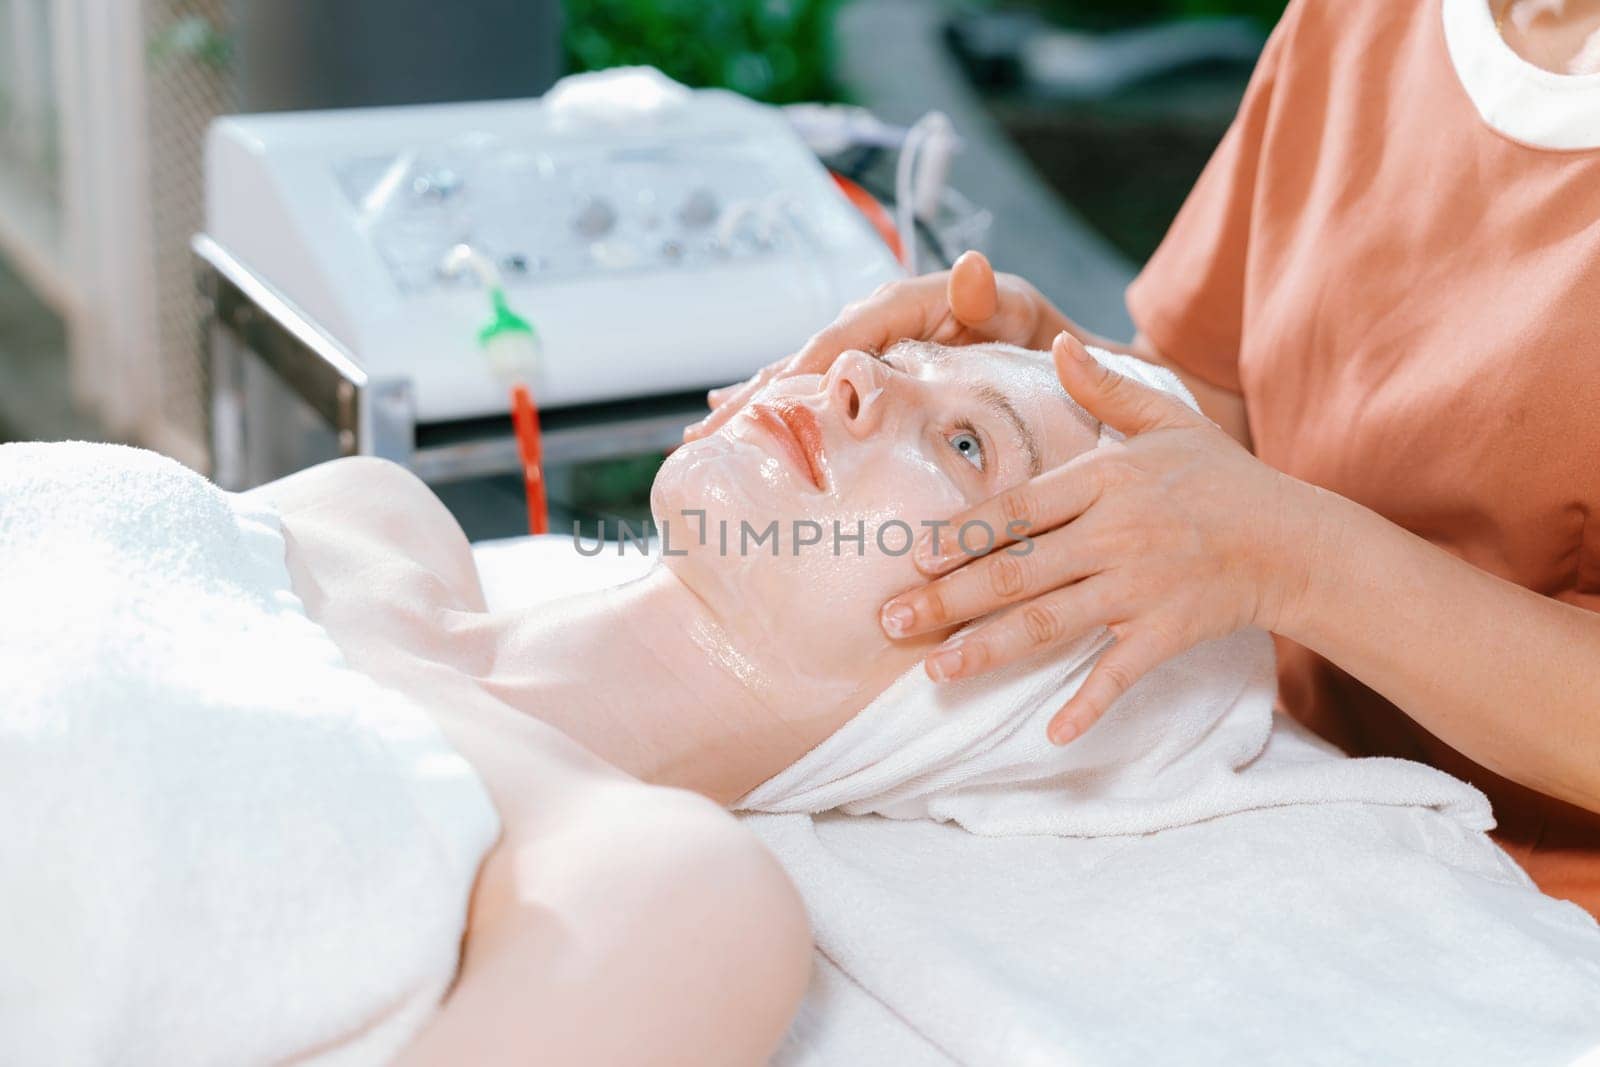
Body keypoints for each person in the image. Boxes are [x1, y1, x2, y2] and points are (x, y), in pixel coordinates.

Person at [687, 0, 1600, 916]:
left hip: (1544, 913)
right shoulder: (1364, 22)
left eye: (963, 440)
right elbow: (1219, 404)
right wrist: (1063, 382)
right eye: (960, 437)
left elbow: (1262, 533)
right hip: (1294, 793)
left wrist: (1296, 560)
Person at [253, 338, 1101, 1064]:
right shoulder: (368, 513)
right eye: (896, 357)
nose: (853, 371)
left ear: (1002, 679)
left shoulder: (675, 903)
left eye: (966, 445)